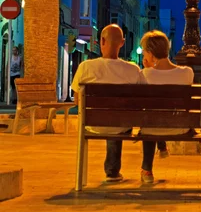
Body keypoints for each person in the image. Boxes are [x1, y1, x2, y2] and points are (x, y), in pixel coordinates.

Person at [71, 24, 146, 183]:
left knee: (110, 117)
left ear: (101, 41)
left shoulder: (86, 67)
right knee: (118, 120)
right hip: (122, 125)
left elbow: (77, 100)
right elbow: (142, 99)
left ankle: (95, 176)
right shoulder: (133, 69)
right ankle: (112, 171)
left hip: (91, 123)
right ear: (122, 43)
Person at [140, 30, 194, 184]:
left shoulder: (144, 74)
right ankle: (161, 149)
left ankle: (147, 170)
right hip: (179, 127)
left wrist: (149, 68)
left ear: (150, 53)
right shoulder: (187, 72)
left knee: (151, 120)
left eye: (145, 52)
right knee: (157, 118)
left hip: (151, 128)